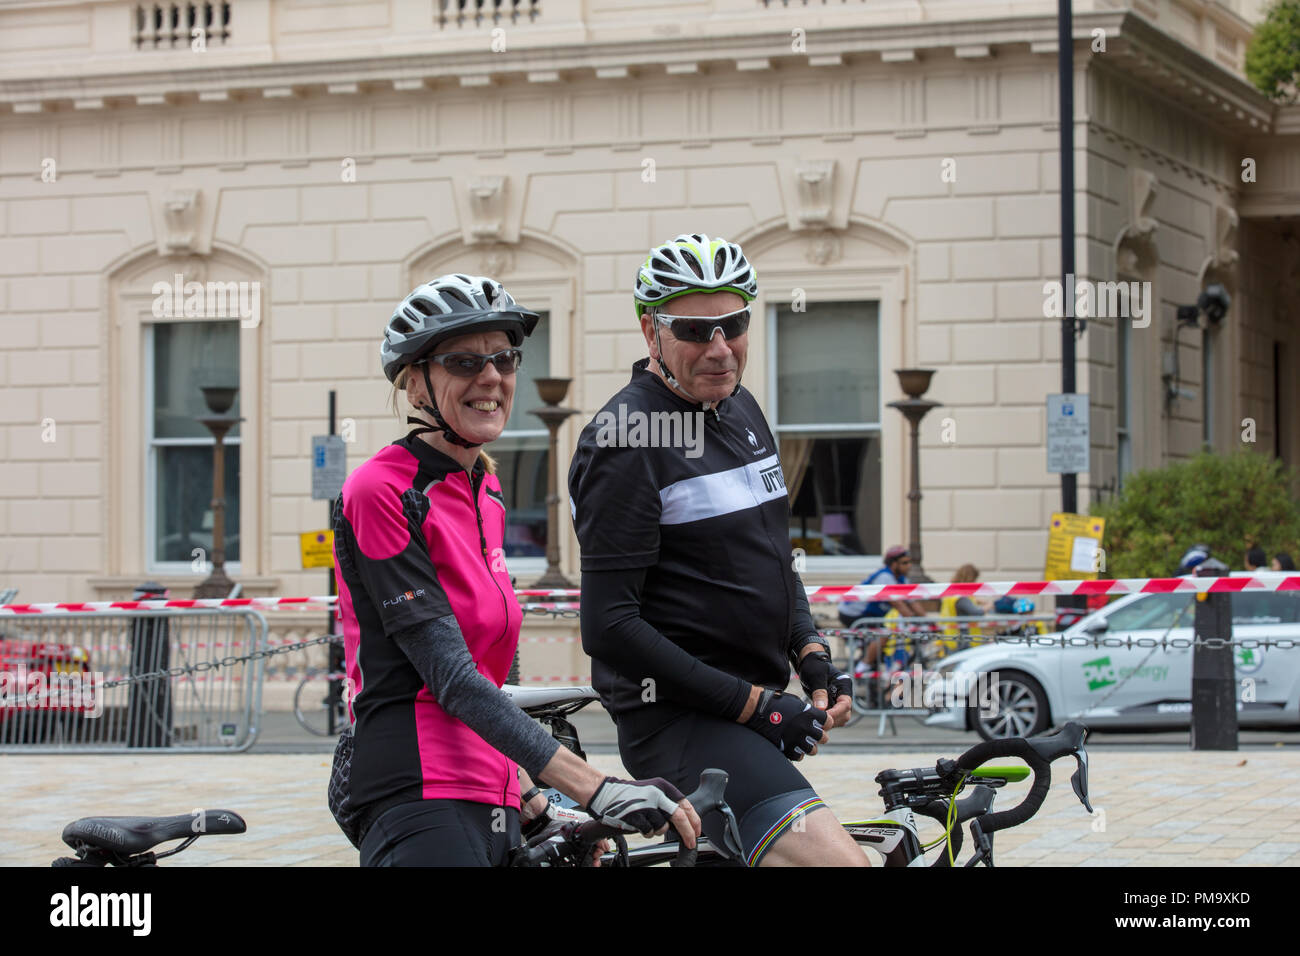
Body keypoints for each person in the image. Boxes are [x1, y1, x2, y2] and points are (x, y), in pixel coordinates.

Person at [331, 274, 699, 866]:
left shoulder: (488, 490)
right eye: (463, 361)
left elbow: (491, 675)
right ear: (415, 382)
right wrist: (594, 786)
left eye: (504, 358)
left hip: (495, 790)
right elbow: (449, 676)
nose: (491, 378)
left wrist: (540, 797)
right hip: (416, 786)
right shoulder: (383, 489)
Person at [568, 233, 864, 867]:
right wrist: (756, 705)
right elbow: (609, 625)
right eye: (696, 331)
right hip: (678, 722)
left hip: (751, 706)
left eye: (734, 325)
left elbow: (773, 558)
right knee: (841, 865)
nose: (720, 349)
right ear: (651, 332)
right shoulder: (625, 441)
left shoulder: (740, 408)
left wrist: (809, 652)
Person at [838, 545, 926, 666]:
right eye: (905, 563)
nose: (909, 566)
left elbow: (912, 602)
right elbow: (898, 604)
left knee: (882, 638)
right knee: (883, 634)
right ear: (894, 564)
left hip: (869, 614)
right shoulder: (885, 577)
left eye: (910, 562)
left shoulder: (902, 579)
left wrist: (927, 621)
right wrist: (914, 621)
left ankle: (869, 664)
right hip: (853, 613)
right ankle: (863, 667)